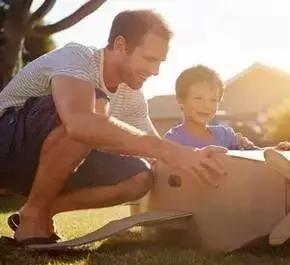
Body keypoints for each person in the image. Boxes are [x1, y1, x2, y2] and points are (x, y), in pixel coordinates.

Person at [0, 10, 226, 246]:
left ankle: (37, 211)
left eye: (160, 62)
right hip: (6, 144)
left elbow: (156, 153)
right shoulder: (77, 57)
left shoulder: (132, 96)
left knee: (140, 175)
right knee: (93, 111)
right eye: (150, 59)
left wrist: (192, 156)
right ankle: (35, 217)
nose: (155, 71)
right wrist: (171, 151)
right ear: (120, 45)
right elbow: (80, 123)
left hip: (44, 165)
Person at [164, 65, 290, 150]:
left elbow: (256, 156)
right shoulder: (173, 140)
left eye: (213, 100)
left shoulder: (226, 136)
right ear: (181, 101)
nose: (206, 105)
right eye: (198, 98)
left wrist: (277, 150)